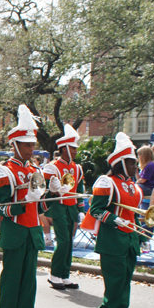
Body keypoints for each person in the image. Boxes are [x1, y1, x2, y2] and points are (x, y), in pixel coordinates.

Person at [0, 105, 48, 308]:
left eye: (32, 145)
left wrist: (52, 195)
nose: (31, 149)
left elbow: (43, 208)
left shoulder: (36, 170)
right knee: (12, 281)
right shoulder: (2, 171)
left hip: (32, 231)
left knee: (29, 283)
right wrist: (25, 201)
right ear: (14, 145)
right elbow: (2, 207)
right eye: (26, 145)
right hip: (15, 230)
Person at [87, 133, 148, 308]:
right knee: (115, 277)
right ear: (120, 163)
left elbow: (134, 215)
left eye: (135, 163)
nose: (135, 167)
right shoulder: (107, 182)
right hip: (112, 237)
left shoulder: (133, 185)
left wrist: (141, 235)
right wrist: (116, 220)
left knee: (126, 275)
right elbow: (96, 210)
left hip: (130, 238)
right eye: (131, 163)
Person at [43, 124, 86, 290]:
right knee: (63, 240)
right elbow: (45, 190)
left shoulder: (77, 168)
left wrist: (81, 210)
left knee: (70, 242)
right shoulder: (51, 167)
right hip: (58, 207)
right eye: (72, 148)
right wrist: (54, 189)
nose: (75, 151)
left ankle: (64, 274)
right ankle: (55, 274)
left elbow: (80, 190)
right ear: (64, 148)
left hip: (72, 207)